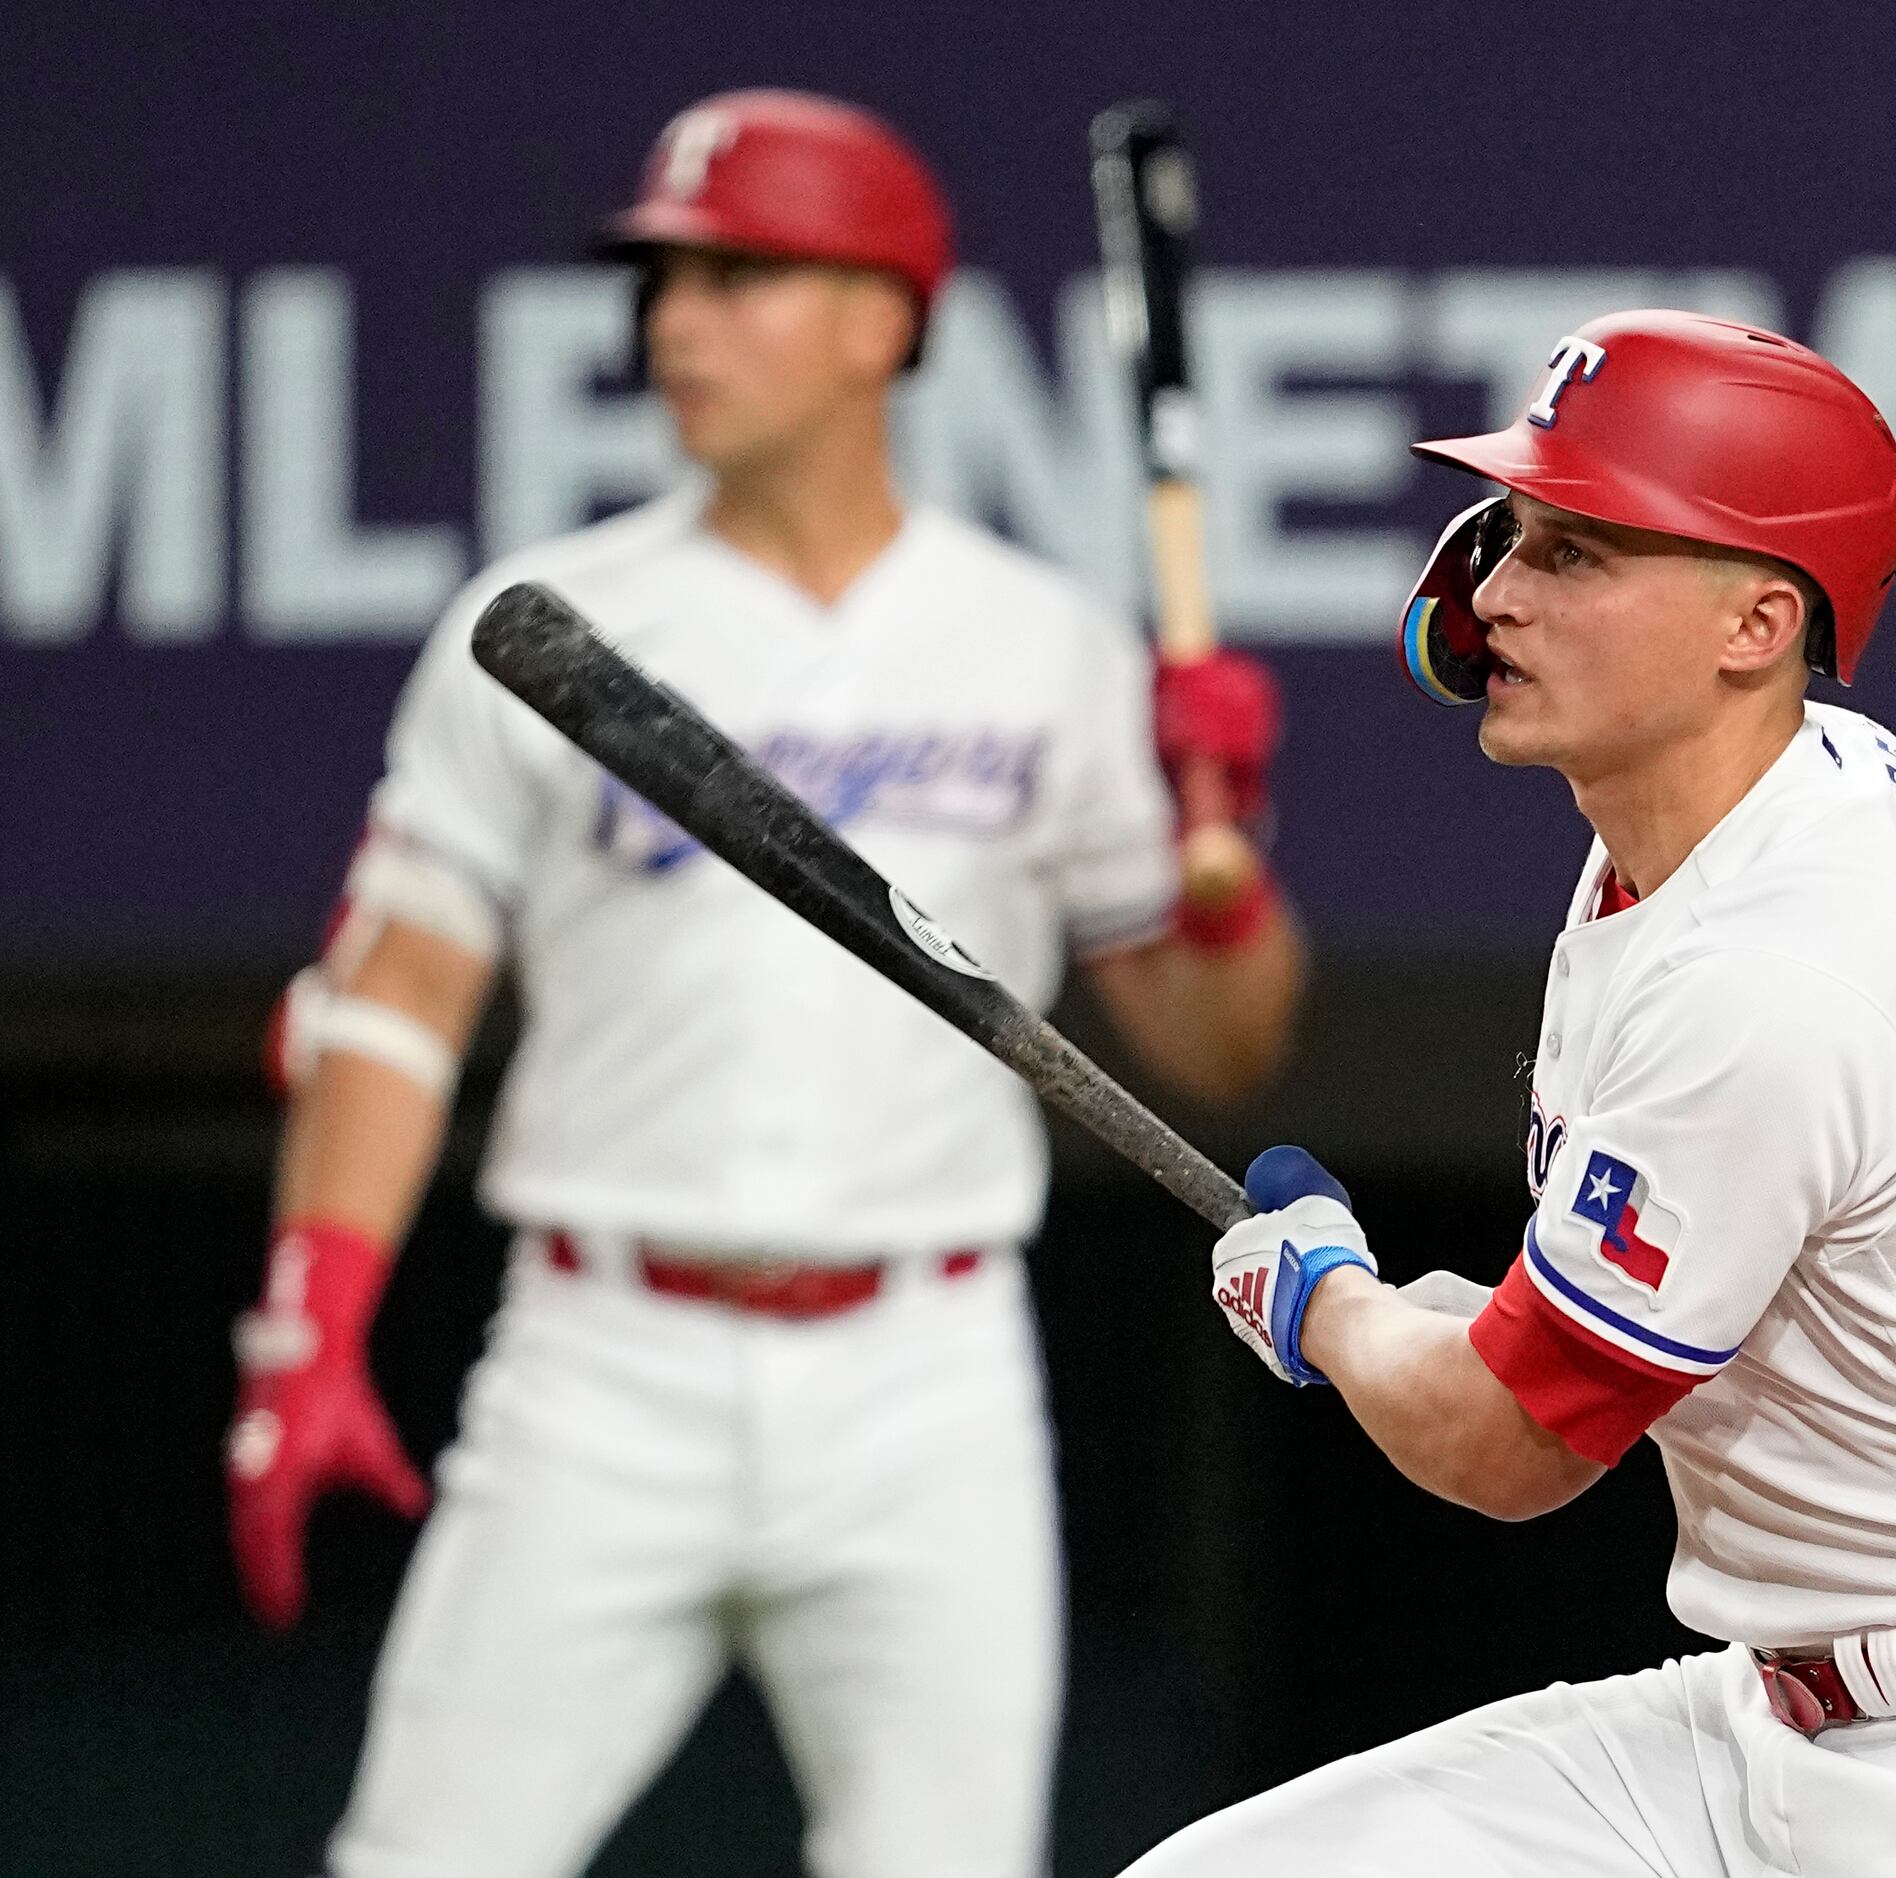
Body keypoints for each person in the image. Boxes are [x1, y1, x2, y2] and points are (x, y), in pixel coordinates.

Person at [221, 89, 1304, 1878]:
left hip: (925, 1362)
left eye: (738, 277)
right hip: (599, 1349)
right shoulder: (551, 610)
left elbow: (1222, 1046)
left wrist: (1226, 850)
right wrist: (310, 1312)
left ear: (885, 320)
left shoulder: (1041, 643)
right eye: (664, 280)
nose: (674, 324)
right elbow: (396, 991)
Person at [1165, 310, 1896, 1876]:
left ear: (1755, 623)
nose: (1498, 593)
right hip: (1781, 1729)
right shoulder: (1761, 796)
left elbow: (1505, 1448)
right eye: (1509, 535)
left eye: (1579, 551)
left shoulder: (1771, 977)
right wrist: (1452, 1321)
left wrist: (1324, 1302)